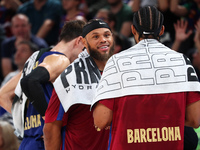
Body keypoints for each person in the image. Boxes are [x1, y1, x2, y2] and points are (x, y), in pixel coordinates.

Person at [92, 6, 200, 150]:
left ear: (133, 30)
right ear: (161, 30)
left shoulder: (116, 62)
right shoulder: (182, 61)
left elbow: (100, 121)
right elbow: (195, 119)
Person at [0, 20, 86, 150]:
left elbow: (3, 95)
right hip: (44, 142)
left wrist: (25, 121)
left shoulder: (36, 58)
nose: (84, 56)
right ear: (79, 41)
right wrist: (49, 121)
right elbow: (30, 82)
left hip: (28, 141)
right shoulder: (61, 59)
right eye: (85, 49)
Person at [43, 19, 114, 150]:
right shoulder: (70, 76)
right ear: (83, 42)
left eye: (107, 35)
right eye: (96, 36)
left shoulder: (121, 72)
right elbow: (51, 127)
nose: (103, 40)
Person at [1, 13, 48, 78]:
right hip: (12, 79)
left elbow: (44, 69)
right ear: (12, 29)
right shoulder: (6, 44)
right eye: (17, 26)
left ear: (29, 26)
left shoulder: (40, 44)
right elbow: (6, 72)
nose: (20, 29)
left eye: (23, 25)